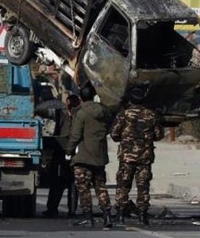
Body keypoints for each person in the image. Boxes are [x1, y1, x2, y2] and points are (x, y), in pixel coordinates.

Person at [110, 86, 164, 226]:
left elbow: (114, 134)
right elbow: (159, 135)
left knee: (123, 185)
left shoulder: (123, 114)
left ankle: (121, 214)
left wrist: (125, 139)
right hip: (144, 157)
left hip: (127, 157)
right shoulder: (151, 115)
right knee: (143, 186)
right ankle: (142, 215)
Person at [65, 85, 113, 228]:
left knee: (83, 188)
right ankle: (107, 215)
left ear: (80, 97)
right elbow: (110, 127)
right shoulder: (104, 111)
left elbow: (76, 135)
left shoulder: (81, 113)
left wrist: (69, 150)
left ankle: (88, 217)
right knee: (100, 186)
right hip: (99, 155)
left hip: (84, 156)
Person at [37, 94, 81, 217]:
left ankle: (68, 209)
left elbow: (41, 109)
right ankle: (55, 208)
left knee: (70, 182)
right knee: (60, 182)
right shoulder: (61, 113)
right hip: (63, 151)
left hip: (71, 151)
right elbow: (41, 110)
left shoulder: (76, 114)